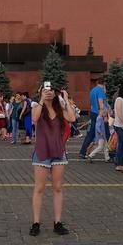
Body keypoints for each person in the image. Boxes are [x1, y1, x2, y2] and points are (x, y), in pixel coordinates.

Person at [29, 84, 76, 236]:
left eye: (51, 91)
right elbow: (34, 118)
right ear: (41, 92)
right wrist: (42, 99)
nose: (49, 93)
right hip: (42, 151)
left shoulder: (60, 108)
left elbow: (72, 118)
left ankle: (57, 222)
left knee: (57, 188)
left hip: (58, 151)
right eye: (45, 90)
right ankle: (36, 223)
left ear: (56, 93)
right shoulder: (37, 106)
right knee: (39, 188)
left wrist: (66, 100)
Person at [80, 76, 108, 159]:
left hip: (93, 113)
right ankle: (109, 154)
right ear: (104, 83)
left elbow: (92, 104)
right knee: (105, 133)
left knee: (91, 134)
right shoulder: (100, 91)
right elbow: (101, 103)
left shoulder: (92, 90)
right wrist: (104, 114)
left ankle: (83, 151)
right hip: (99, 114)